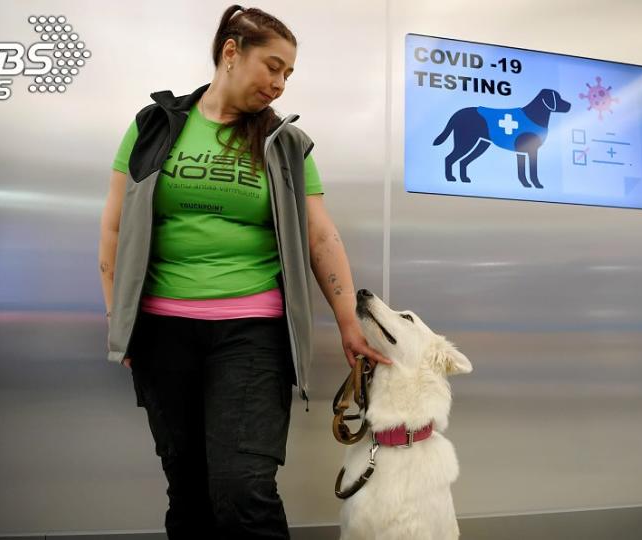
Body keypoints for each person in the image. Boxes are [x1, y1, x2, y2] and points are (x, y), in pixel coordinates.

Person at [97, 5, 391, 537]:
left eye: (288, 74)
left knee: (243, 490)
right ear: (231, 51)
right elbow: (115, 230)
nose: (279, 84)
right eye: (272, 67)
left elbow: (320, 236)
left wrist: (348, 320)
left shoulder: (286, 144)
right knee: (187, 491)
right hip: (163, 333)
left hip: (252, 334)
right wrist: (117, 317)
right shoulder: (153, 127)